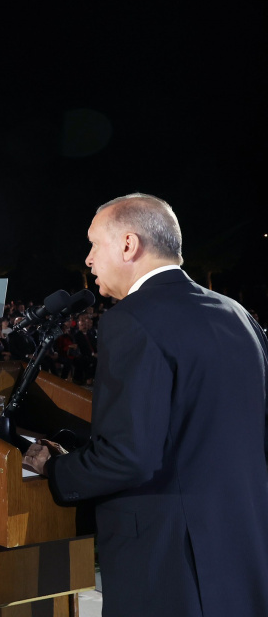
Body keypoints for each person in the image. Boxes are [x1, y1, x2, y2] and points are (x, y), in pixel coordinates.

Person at [23, 193, 268, 616]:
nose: (88, 260)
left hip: (168, 558)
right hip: (241, 543)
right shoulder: (238, 314)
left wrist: (55, 467)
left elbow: (128, 457)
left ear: (128, 245)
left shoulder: (131, 320)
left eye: (94, 244)